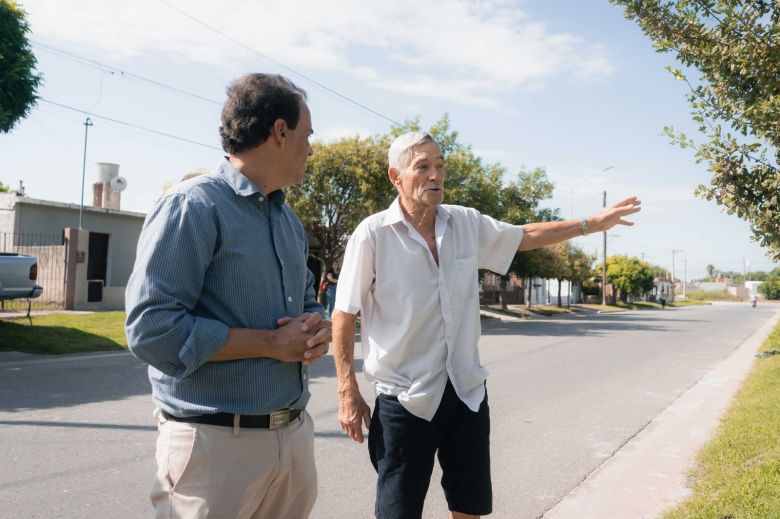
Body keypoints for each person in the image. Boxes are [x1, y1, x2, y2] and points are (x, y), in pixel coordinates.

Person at [331, 132, 641, 519]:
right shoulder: (372, 234)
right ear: (396, 176)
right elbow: (343, 313)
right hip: (405, 398)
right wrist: (347, 389)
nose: (435, 175)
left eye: (440, 166)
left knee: (469, 506)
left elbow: (523, 235)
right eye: (423, 167)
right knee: (397, 511)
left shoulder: (464, 223)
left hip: (465, 391)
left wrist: (591, 224)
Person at [125, 73, 330, 519]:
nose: (311, 149)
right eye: (306, 135)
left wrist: (316, 327)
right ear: (280, 131)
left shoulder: (288, 221)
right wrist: (271, 343)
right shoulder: (193, 205)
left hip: (292, 440)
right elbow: (151, 330)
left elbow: (305, 303)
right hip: (213, 450)